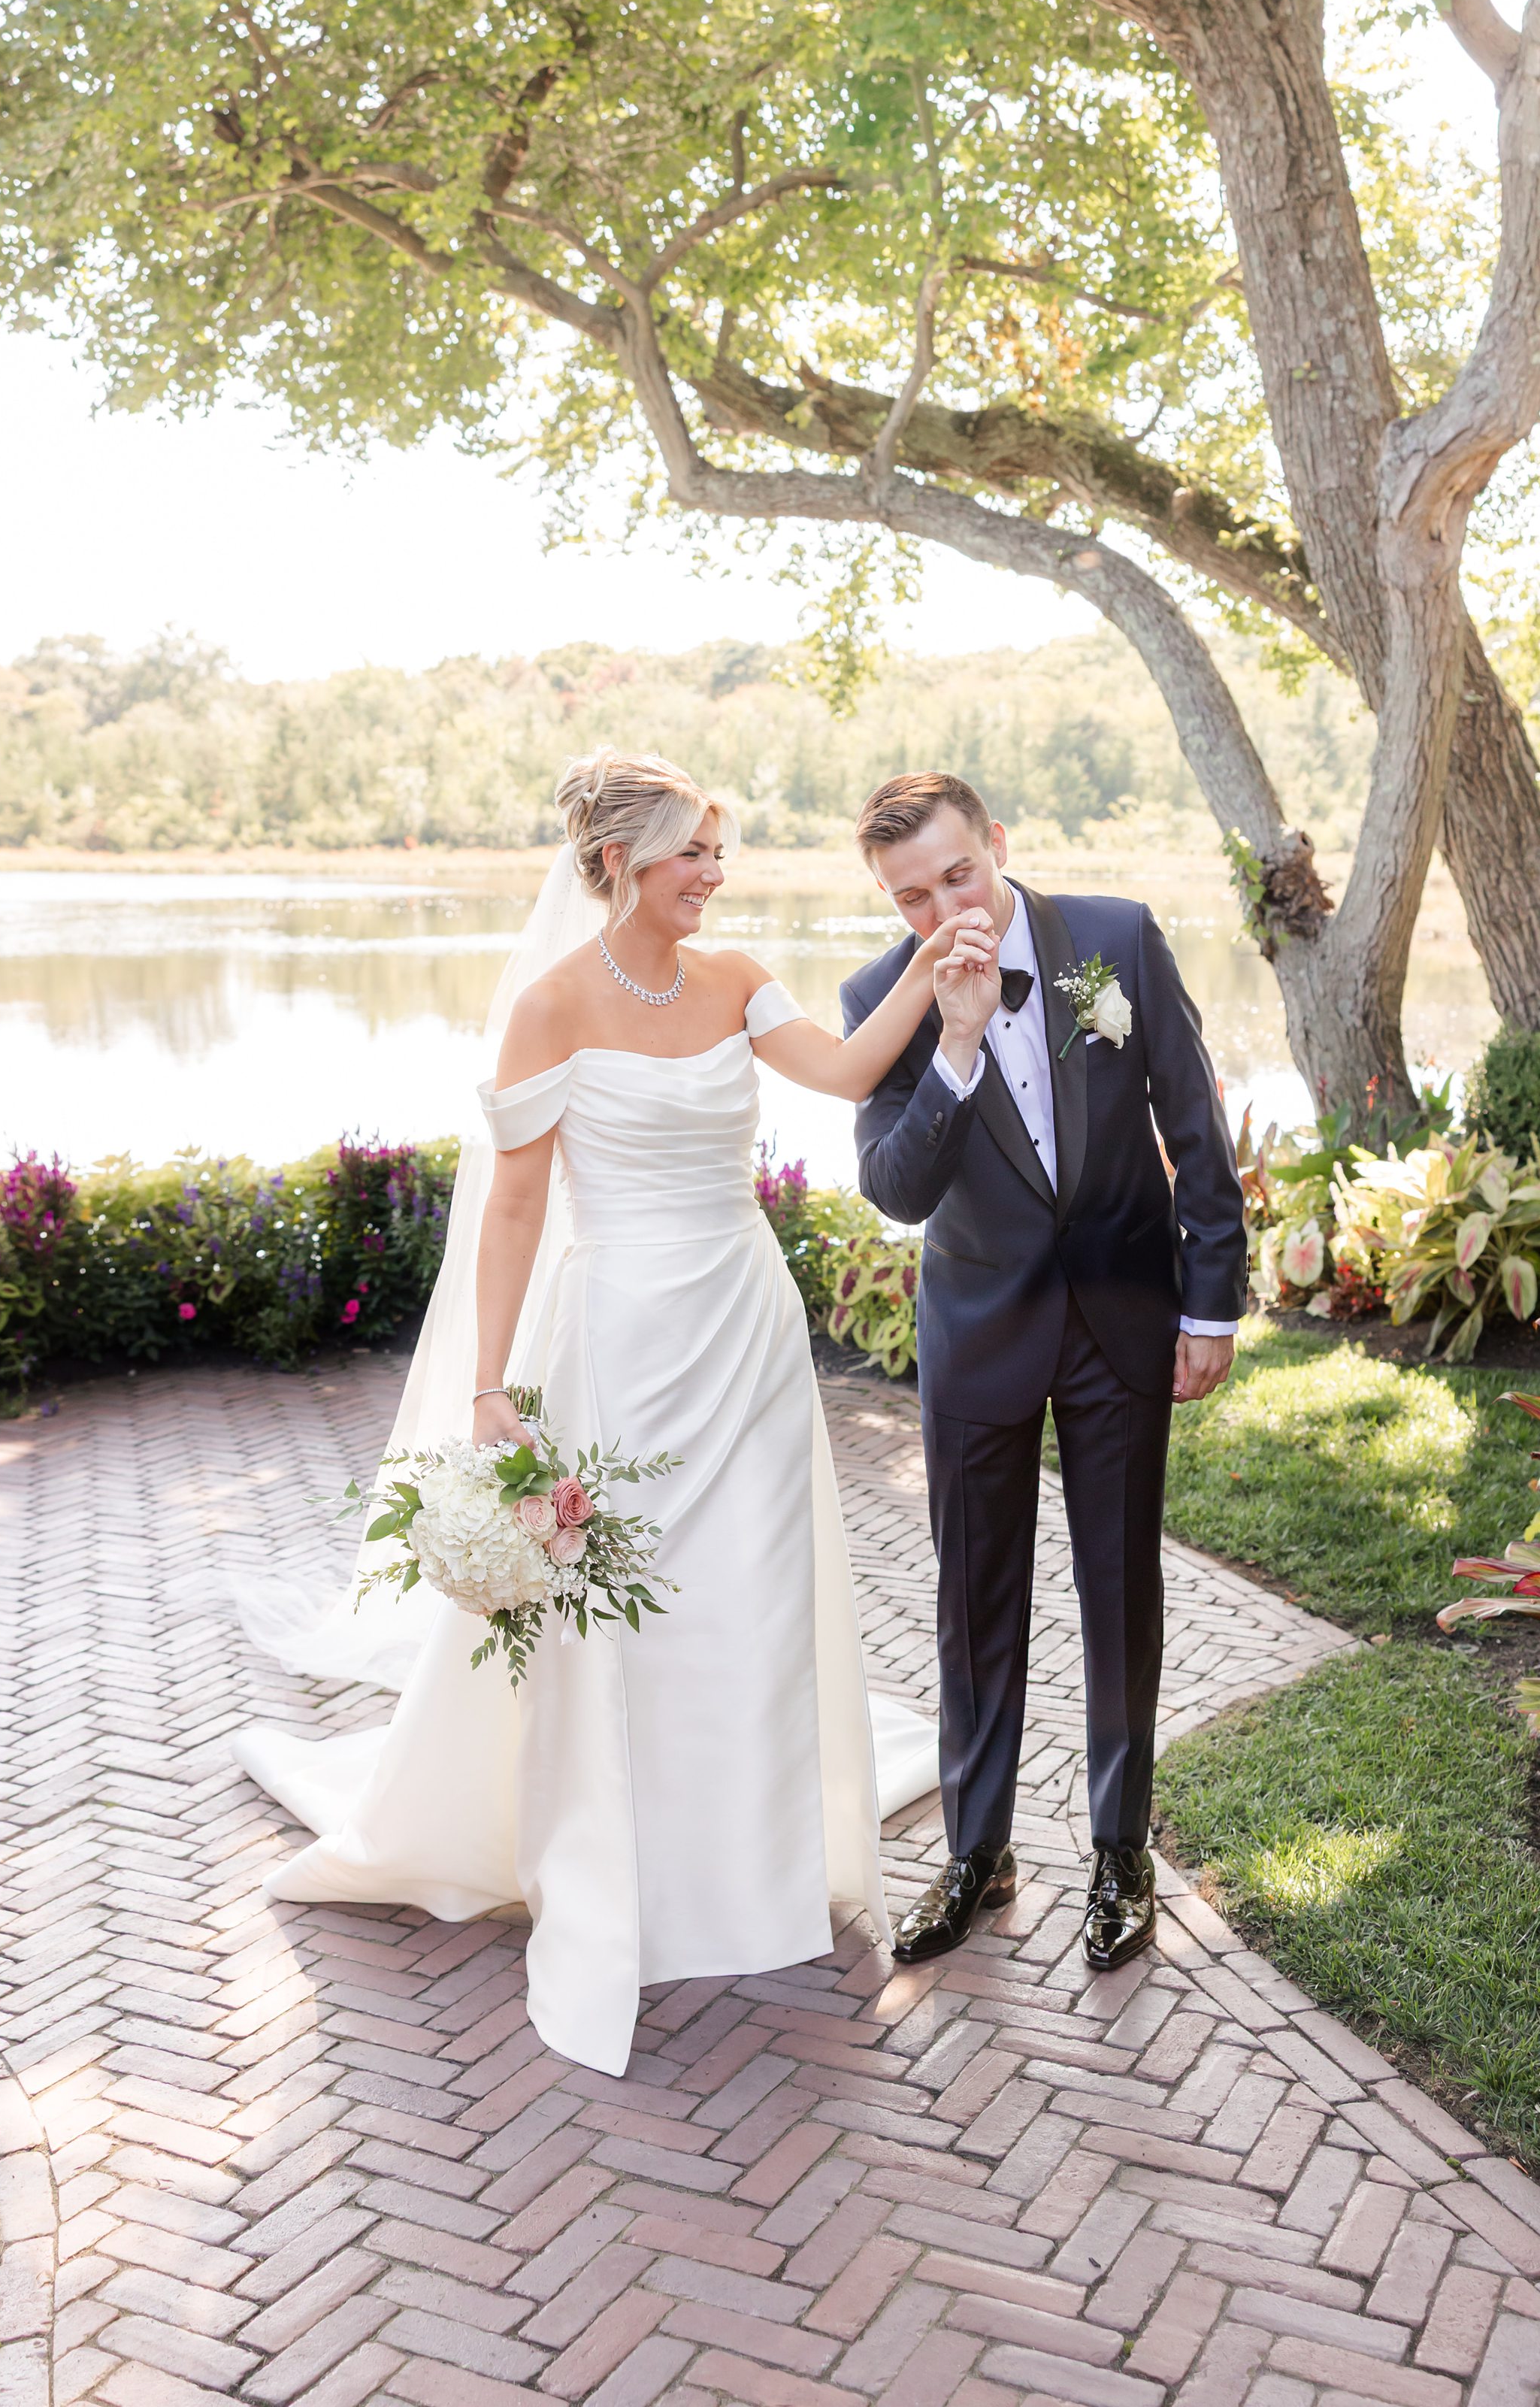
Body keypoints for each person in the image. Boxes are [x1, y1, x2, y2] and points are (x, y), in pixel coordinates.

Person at [234, 749, 982, 2077]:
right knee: (624, 1611)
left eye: (717, 851)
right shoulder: (551, 1004)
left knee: (751, 1589)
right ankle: (623, 1861)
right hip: (620, 1343)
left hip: (743, 1330)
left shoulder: (741, 979)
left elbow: (855, 1074)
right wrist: (490, 1390)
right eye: (693, 851)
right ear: (617, 864)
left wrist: (932, 968)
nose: (713, 873)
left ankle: (748, 1864)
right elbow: (515, 1205)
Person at [840, 773, 1247, 1973]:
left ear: (999, 846)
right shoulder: (881, 999)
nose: (943, 908)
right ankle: (980, 1855)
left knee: (1122, 1598)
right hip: (979, 1334)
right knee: (975, 1611)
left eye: (958, 875)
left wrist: (1210, 1300)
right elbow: (897, 1190)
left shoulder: (1111, 937)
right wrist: (955, 1037)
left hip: (1125, 1314)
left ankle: (1122, 1856)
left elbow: (1195, 1123)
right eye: (912, 896)